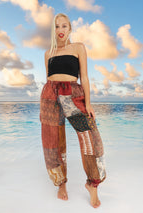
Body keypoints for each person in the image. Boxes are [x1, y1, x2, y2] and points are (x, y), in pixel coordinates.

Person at [40, 12, 106, 208]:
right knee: (53, 142)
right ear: (53, 30)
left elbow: (84, 77)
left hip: (73, 94)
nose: (60, 30)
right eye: (57, 26)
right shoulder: (48, 53)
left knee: (90, 138)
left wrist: (89, 103)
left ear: (70, 28)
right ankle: (61, 183)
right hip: (50, 96)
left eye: (64, 26)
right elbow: (48, 79)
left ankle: (92, 185)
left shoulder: (78, 48)